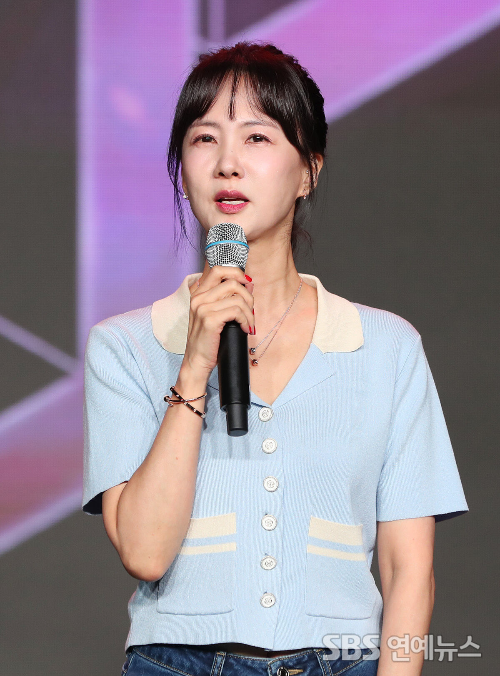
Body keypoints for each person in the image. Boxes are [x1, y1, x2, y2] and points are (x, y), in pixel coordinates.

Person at [82, 42, 469, 676]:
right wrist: (194, 366)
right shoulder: (125, 345)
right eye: (204, 139)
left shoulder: (386, 347)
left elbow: (409, 570)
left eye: (257, 138)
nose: (227, 164)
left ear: (309, 170)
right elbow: (145, 554)